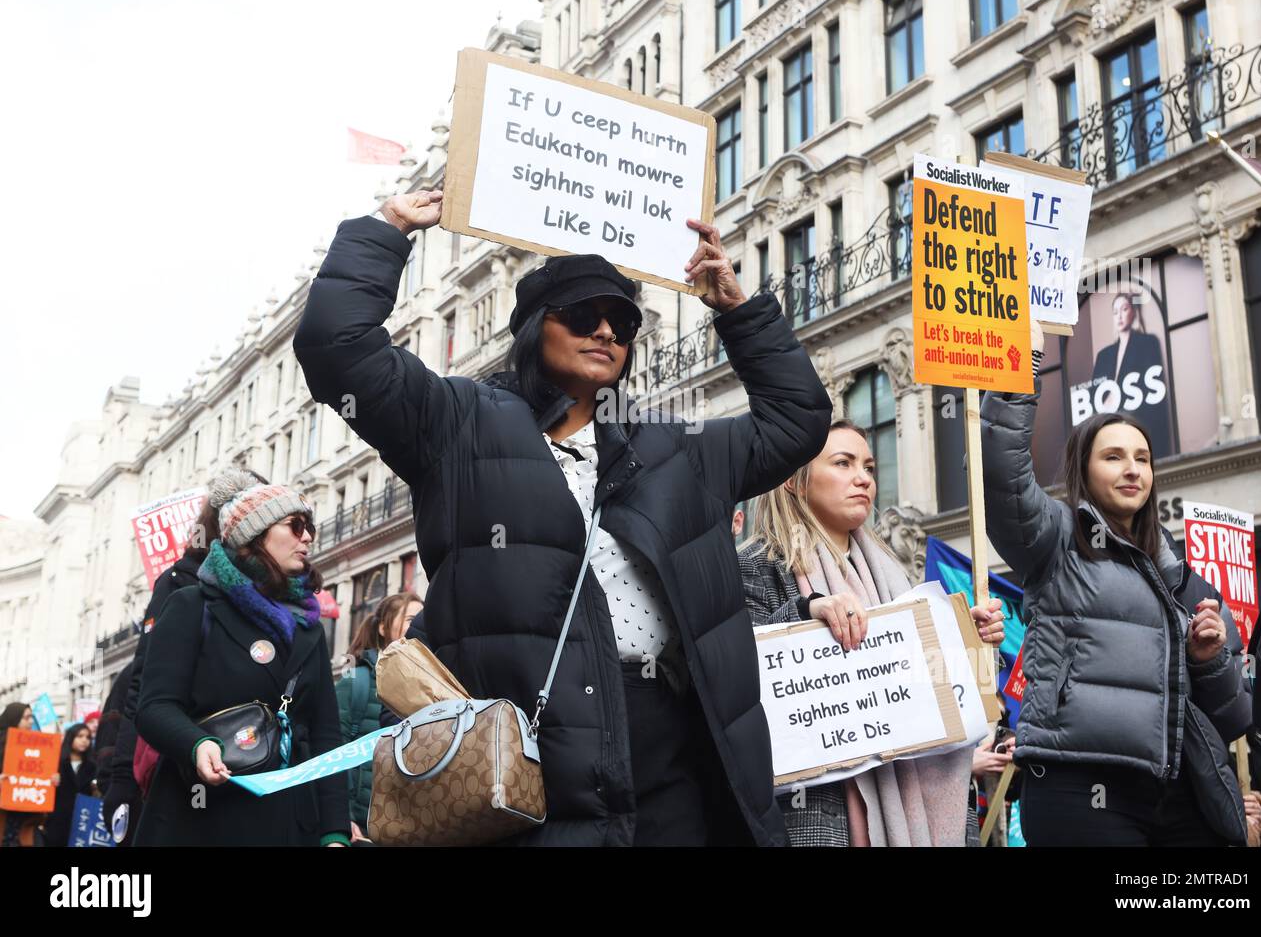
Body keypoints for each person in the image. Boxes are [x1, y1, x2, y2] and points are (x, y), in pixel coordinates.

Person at [294, 189, 832, 845]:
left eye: (623, 323)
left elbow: (798, 420)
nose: (605, 332)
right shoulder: (458, 423)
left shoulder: (676, 448)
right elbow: (336, 346)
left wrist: (736, 310)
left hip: (673, 762)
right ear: (533, 327)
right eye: (582, 315)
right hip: (526, 765)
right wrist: (389, 229)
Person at [982, 320, 1251, 846]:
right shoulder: (1057, 538)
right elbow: (1002, 476)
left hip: (1179, 793)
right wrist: (1021, 368)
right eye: (1113, 457)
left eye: (1142, 459)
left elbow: (1235, 716)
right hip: (1078, 785)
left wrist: (1209, 660)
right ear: (1082, 470)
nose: (1132, 470)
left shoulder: (1189, 583)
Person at [737, 418, 1004, 846]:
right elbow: (732, 682)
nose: (863, 479)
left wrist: (965, 642)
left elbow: (936, 701)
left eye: (869, 467)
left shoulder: (897, 578)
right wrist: (806, 612)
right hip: (815, 816)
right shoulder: (752, 566)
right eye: (843, 463)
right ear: (792, 480)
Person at [134, 468, 349, 846]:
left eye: (309, 527)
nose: (308, 537)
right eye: (295, 526)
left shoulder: (309, 626)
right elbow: (154, 707)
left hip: (289, 823)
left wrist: (335, 831)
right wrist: (197, 744)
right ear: (254, 535)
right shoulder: (192, 605)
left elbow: (325, 735)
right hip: (201, 817)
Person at [335, 591, 420, 842]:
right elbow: (334, 751)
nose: (420, 625)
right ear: (383, 628)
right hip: (363, 827)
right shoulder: (356, 681)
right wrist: (342, 816)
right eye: (411, 619)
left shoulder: (431, 680)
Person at [1089, 289, 1172, 457]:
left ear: (1134, 312)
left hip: (1138, 426)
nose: (1119, 316)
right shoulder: (1104, 355)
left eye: (1124, 309)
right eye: (1115, 312)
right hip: (1109, 429)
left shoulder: (1148, 343)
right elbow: (1092, 398)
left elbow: (1155, 397)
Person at [43, 723, 96, 847]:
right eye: (80, 736)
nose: (84, 740)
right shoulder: (56, 762)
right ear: (70, 738)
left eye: (88, 737)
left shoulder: (92, 766)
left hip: (82, 821)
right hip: (57, 820)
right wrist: (51, 780)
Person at [0, 703, 38, 847]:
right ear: (14, 718)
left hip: (23, 814)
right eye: (26, 718)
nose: (31, 722)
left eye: (31, 717)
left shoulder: (36, 745)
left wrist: (51, 780)